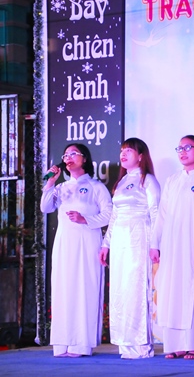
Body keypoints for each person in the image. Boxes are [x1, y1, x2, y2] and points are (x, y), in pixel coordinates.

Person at [41, 143, 112, 357]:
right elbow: (45, 207)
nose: (68, 158)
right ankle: (62, 342)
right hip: (65, 243)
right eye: (65, 155)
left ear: (85, 158)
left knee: (84, 287)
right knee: (63, 288)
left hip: (87, 241)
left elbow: (109, 214)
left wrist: (86, 219)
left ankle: (81, 343)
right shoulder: (61, 188)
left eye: (73, 154)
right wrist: (50, 183)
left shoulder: (96, 186)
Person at [150, 135, 194, 360]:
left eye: (188, 147)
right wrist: (155, 244)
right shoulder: (172, 180)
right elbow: (162, 215)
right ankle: (175, 344)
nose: (182, 152)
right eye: (179, 148)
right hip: (171, 246)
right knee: (172, 293)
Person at [99, 138, 160, 359]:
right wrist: (106, 244)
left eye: (129, 151)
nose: (123, 155)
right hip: (119, 241)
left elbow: (156, 213)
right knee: (120, 289)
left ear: (141, 156)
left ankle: (140, 345)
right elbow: (114, 217)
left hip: (139, 238)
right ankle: (124, 343)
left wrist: (155, 244)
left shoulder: (148, 180)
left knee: (136, 288)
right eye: (122, 151)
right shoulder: (122, 182)